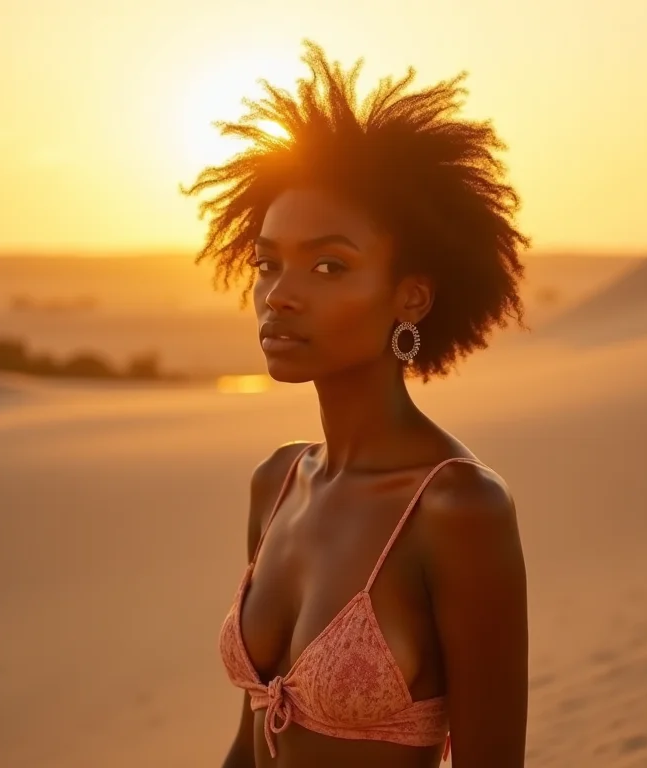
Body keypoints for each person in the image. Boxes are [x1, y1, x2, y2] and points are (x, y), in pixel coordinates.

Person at [183, 40, 529, 768]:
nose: (280, 294)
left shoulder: (459, 509)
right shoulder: (276, 485)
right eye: (267, 264)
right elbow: (247, 744)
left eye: (329, 265)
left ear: (411, 295)